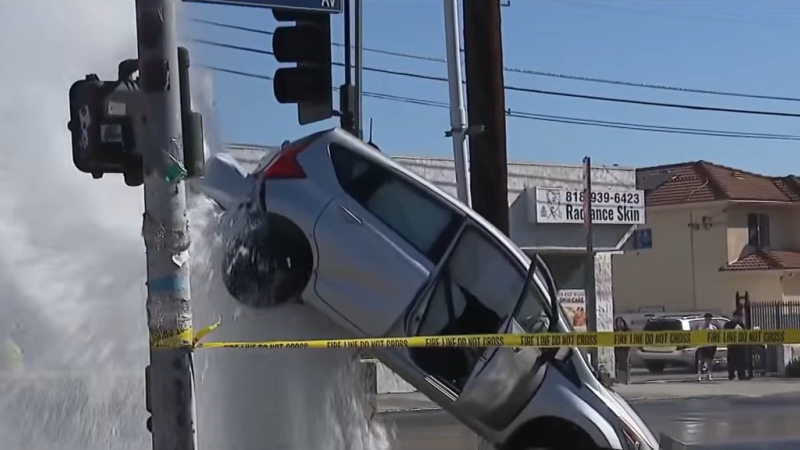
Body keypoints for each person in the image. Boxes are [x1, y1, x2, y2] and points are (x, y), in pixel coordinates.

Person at [724, 311, 747, 380]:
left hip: (740, 346)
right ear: (734, 316)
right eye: (739, 317)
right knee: (731, 361)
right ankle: (731, 375)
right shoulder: (728, 324)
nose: (740, 318)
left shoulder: (741, 325)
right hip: (732, 346)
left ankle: (741, 374)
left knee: (741, 361)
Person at [697, 313, 718, 381]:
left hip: (711, 346)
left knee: (709, 361)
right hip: (703, 346)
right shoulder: (701, 327)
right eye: (707, 318)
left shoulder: (713, 328)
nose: (708, 320)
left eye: (710, 319)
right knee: (701, 361)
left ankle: (709, 374)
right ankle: (699, 375)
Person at [613, 316, 631, 385]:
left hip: (625, 349)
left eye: (621, 323)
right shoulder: (614, 331)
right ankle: (619, 379)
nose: (619, 324)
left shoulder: (627, 331)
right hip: (618, 349)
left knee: (625, 365)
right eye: (618, 323)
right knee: (618, 365)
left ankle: (626, 379)